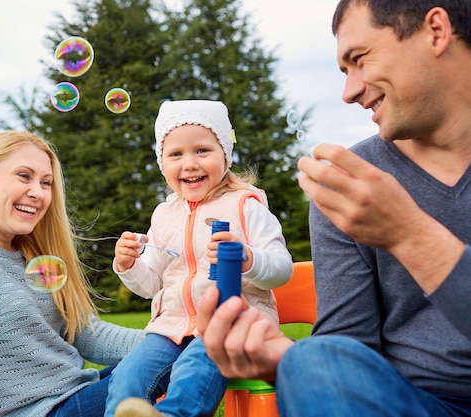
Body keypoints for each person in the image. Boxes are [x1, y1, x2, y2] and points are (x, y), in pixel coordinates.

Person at [198, 1, 471, 416]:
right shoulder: (353, 184)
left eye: (359, 60)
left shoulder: (370, 196)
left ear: (436, 31)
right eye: (344, 72)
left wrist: (409, 233)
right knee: (314, 360)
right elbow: (347, 350)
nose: (349, 92)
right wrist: (285, 362)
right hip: (410, 404)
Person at [0, 130, 144, 417]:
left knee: (181, 354)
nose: (38, 192)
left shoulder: (35, 254)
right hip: (39, 412)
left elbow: (87, 335)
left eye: (46, 182)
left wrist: (168, 338)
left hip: (76, 393)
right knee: (180, 363)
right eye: (24, 176)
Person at [106, 100, 294, 417]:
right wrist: (130, 265)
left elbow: (281, 268)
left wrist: (247, 258)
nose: (190, 163)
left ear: (225, 155)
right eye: (176, 154)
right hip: (170, 329)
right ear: (162, 163)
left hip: (231, 327)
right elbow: (153, 285)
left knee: (194, 368)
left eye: (202, 151)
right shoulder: (164, 216)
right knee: (128, 375)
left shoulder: (245, 206)